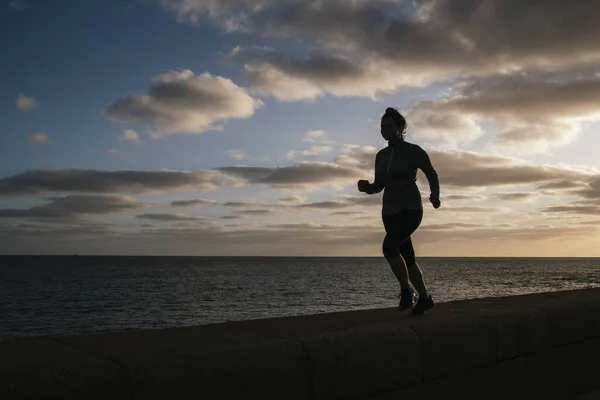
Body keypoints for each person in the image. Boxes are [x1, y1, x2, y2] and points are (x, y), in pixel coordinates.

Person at [358, 107, 440, 316]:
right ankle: (425, 298)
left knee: (389, 247)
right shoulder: (382, 156)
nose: (385, 130)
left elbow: (431, 173)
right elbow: (379, 185)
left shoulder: (413, 151)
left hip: (411, 209)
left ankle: (406, 291)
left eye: (389, 126)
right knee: (408, 258)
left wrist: (435, 196)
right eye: (382, 127)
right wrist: (367, 187)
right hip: (389, 212)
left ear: (400, 128)